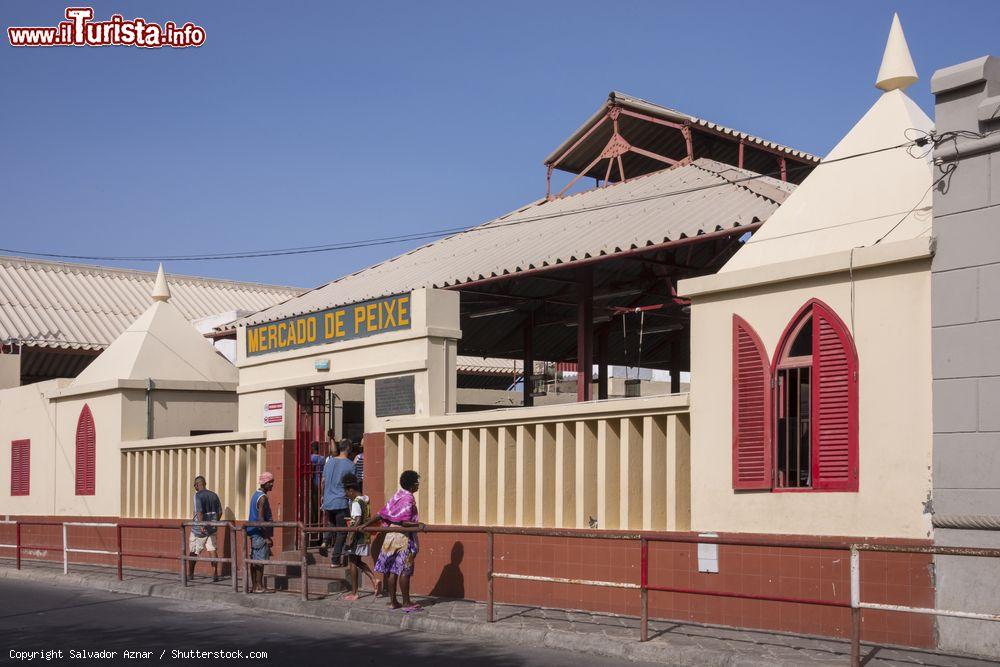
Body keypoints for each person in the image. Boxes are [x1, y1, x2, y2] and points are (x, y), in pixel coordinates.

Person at [372, 469, 424, 611]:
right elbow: (405, 521)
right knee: (405, 570)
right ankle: (406, 603)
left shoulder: (397, 495)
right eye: (417, 483)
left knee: (392, 571)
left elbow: (382, 513)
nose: (418, 485)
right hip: (403, 537)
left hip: (390, 536)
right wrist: (419, 525)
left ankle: (393, 602)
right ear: (412, 485)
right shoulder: (409, 499)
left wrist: (365, 525)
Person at [341, 480, 379, 601]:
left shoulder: (356, 502)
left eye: (347, 493)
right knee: (357, 561)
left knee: (352, 562)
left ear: (351, 490)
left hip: (357, 536)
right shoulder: (364, 500)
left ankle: (354, 592)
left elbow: (357, 520)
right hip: (364, 536)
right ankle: (374, 579)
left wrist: (350, 537)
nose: (347, 496)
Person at [319, 439, 355, 566]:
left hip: (328, 501)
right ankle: (335, 560)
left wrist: (323, 496)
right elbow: (352, 485)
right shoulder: (350, 465)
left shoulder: (329, 462)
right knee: (342, 531)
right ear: (349, 448)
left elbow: (323, 481)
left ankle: (325, 541)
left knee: (331, 523)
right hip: (341, 501)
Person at [188, 475, 223, 581]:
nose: (194, 487)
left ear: (198, 484)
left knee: (193, 551)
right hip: (212, 528)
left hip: (199, 530)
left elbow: (199, 511)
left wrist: (201, 525)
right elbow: (220, 512)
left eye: (195, 485)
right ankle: (215, 574)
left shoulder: (197, 495)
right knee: (212, 549)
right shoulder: (214, 495)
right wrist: (214, 522)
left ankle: (190, 574)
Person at [247, 472, 274, 593]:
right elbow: (261, 518)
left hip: (254, 532)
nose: (272, 484)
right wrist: (267, 537)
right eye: (270, 482)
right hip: (259, 533)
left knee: (254, 560)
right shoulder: (262, 498)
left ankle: (254, 586)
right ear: (265, 483)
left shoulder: (255, 495)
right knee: (259, 561)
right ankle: (259, 586)